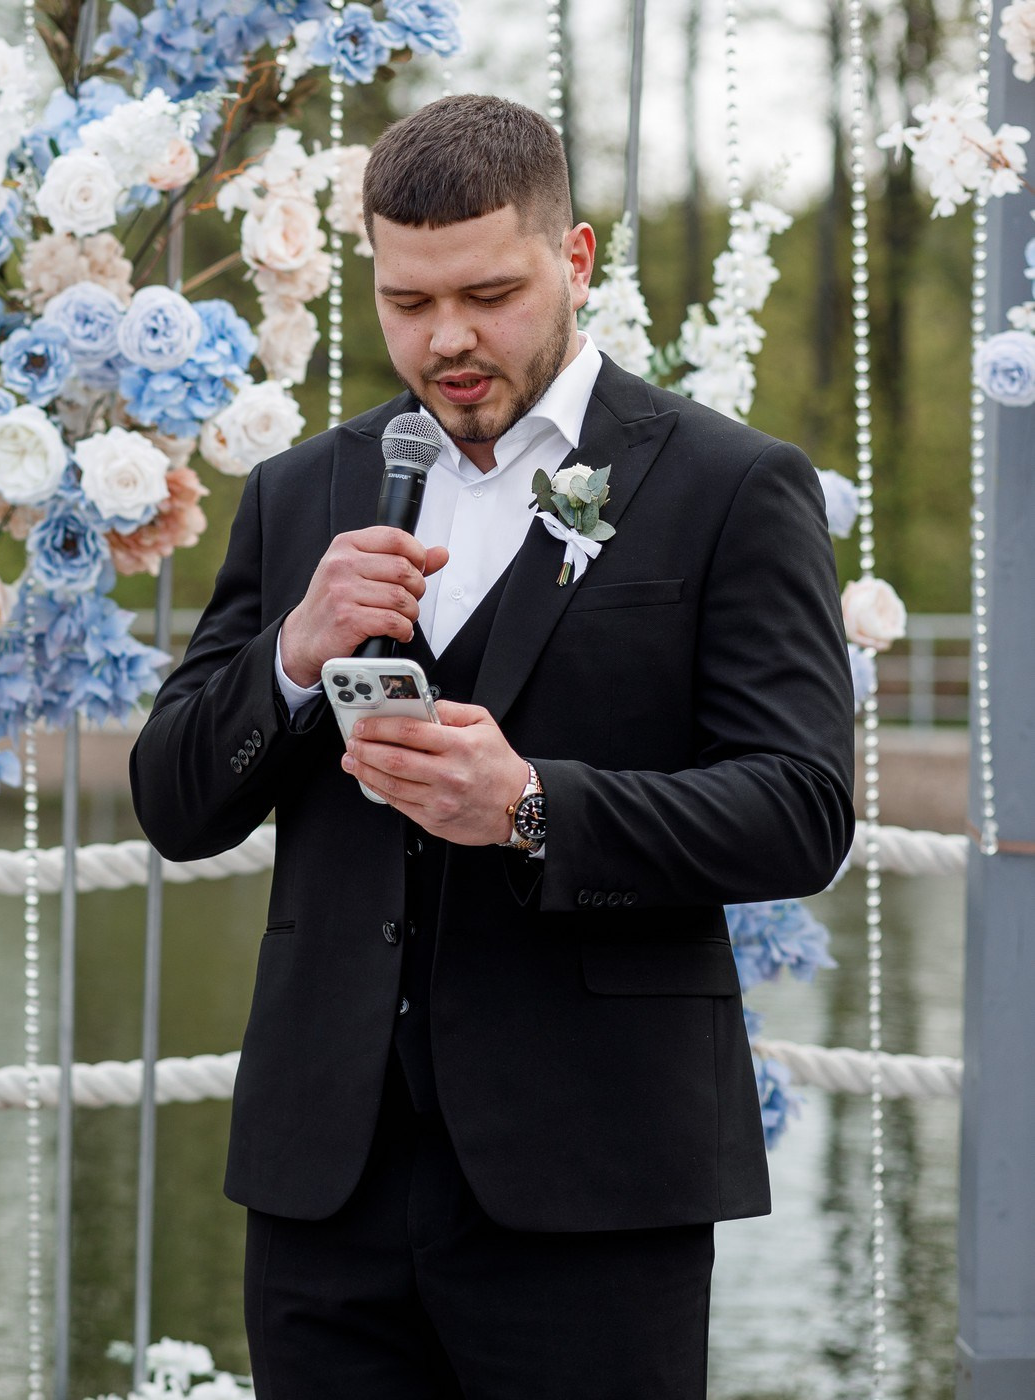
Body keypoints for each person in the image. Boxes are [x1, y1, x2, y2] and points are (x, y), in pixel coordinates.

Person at [129, 96, 854, 1398]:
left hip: (594, 1176)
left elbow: (801, 808)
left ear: (575, 258)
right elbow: (175, 801)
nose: (447, 339)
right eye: (408, 302)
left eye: (489, 294)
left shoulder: (731, 486)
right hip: (323, 1181)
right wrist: (290, 654)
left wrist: (530, 805)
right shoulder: (303, 490)